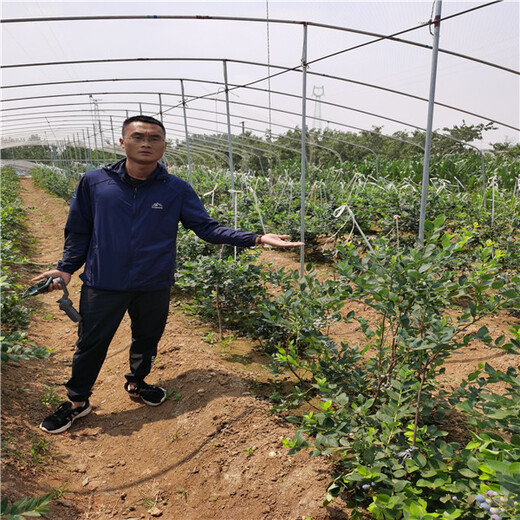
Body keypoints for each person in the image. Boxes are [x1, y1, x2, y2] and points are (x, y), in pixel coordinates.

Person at [34, 115, 303, 434]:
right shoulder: (95, 182)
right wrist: (66, 269)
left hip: (154, 283)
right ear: (122, 142)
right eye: (138, 137)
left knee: (147, 338)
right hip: (103, 281)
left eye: (154, 138)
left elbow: (206, 227)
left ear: (164, 145)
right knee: (91, 343)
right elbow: (78, 231)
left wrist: (256, 237)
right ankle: (77, 402)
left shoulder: (175, 189)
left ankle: (137, 383)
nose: (146, 143)